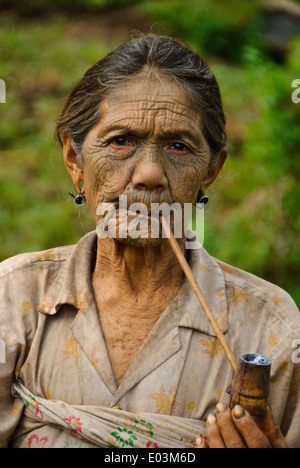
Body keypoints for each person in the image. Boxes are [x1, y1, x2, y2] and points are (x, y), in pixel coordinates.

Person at [0, 34, 299, 449]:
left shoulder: (272, 329)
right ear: (74, 159)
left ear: (210, 171)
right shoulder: (14, 298)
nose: (150, 174)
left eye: (179, 146)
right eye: (121, 141)